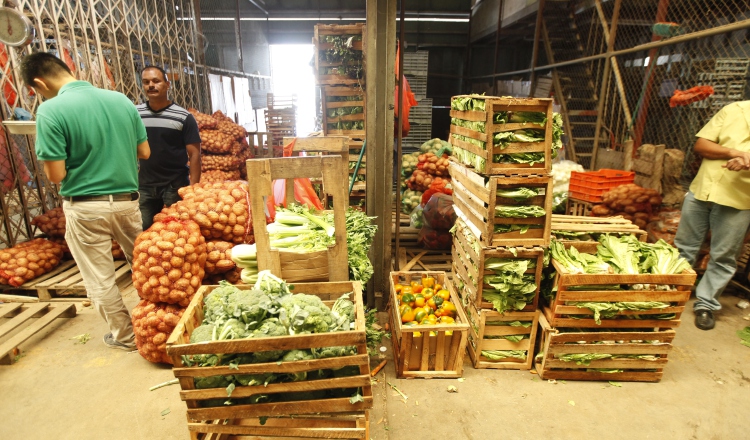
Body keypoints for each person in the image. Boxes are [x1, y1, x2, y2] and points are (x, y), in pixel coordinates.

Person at [21, 52, 150, 350]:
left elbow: (56, 174)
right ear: (68, 69)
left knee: (100, 275)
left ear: (40, 82)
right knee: (145, 264)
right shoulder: (121, 101)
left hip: (86, 206)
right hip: (127, 202)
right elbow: (144, 152)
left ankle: (127, 337)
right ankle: (159, 320)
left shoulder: (51, 111)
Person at [674, 100, 750, 331]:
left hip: (739, 198)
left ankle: (706, 304)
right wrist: (734, 152)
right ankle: (672, 293)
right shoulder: (734, 110)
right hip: (703, 189)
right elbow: (702, 145)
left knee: (723, 256)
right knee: (684, 246)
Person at [137, 66, 201, 230]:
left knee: (177, 230)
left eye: (156, 81)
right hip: (144, 184)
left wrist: (193, 186)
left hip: (174, 184)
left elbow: (194, 154)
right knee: (143, 230)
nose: (151, 85)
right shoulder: (135, 114)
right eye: (146, 82)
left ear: (167, 84)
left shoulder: (184, 117)